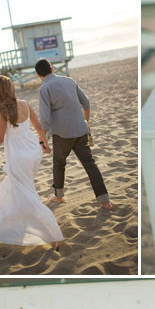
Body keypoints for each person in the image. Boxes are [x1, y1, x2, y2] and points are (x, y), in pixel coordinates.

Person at [0, 75, 63, 248]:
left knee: (27, 194)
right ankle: (23, 224)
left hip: (18, 157)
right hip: (33, 153)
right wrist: (44, 144)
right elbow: (39, 127)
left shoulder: (1, 111)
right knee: (20, 190)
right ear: (11, 88)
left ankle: (52, 235)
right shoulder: (25, 104)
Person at [35, 58, 111, 210]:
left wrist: (43, 141)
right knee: (90, 164)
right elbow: (86, 103)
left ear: (38, 75)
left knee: (59, 164)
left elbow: (45, 121)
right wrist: (86, 122)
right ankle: (105, 201)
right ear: (52, 68)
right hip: (81, 130)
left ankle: (58, 196)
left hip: (62, 135)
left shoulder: (44, 89)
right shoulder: (69, 81)